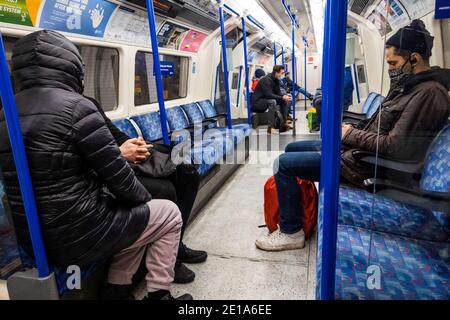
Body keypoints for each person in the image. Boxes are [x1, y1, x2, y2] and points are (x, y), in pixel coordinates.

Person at [0, 30, 192, 300]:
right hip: (77, 236)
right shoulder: (77, 107)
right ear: (70, 65)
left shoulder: (7, 112)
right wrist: (143, 199)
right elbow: (123, 183)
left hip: (33, 239)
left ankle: (116, 289)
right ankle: (159, 295)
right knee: (164, 212)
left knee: (138, 215)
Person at [255, 19, 450, 251]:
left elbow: (395, 145)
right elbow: (379, 127)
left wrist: (349, 135)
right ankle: (298, 213)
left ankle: (291, 232)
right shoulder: (408, 89)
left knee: (283, 164)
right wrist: (350, 131)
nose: (390, 69)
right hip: (358, 153)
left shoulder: (429, 94)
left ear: (414, 59)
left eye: (393, 63)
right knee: (292, 149)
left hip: (368, 165)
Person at [87, 97, 207, 285]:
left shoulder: (89, 103)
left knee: (187, 174)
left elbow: (114, 134)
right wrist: (119, 153)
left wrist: (136, 145)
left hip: (118, 165)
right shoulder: (62, 113)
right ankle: (168, 261)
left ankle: (177, 246)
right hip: (99, 175)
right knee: (165, 190)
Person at [251, 65, 293, 134]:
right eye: (281, 73)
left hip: (265, 100)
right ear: (276, 72)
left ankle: (283, 123)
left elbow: (278, 92)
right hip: (257, 102)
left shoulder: (276, 80)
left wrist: (284, 96)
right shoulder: (266, 80)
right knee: (272, 102)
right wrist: (282, 97)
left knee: (284, 100)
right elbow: (269, 95)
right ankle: (270, 127)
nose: (281, 75)